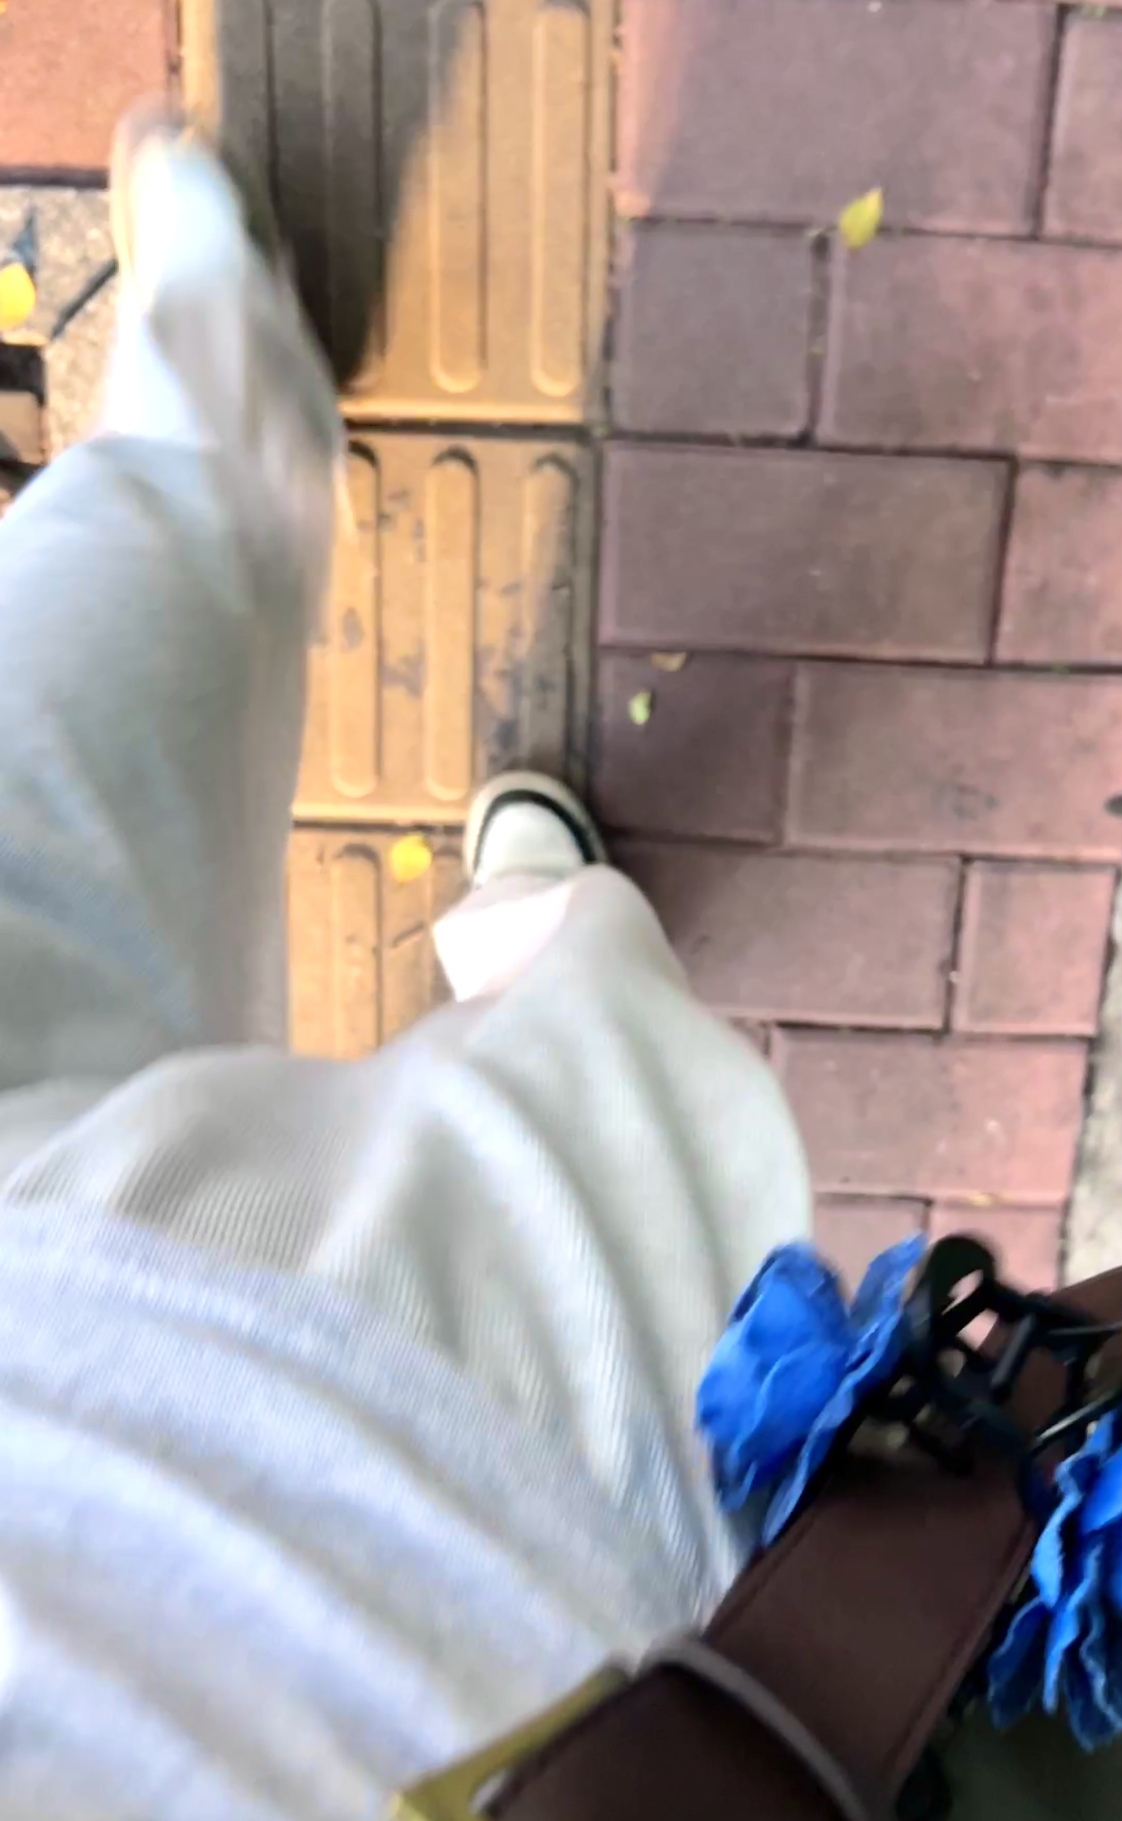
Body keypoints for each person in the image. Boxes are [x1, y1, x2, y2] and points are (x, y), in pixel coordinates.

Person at [0, 114, 811, 1817]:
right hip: (407, 1567)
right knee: (596, 1111)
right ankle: (531, 923)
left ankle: (223, 389)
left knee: (65, 704)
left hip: (358, 1547)